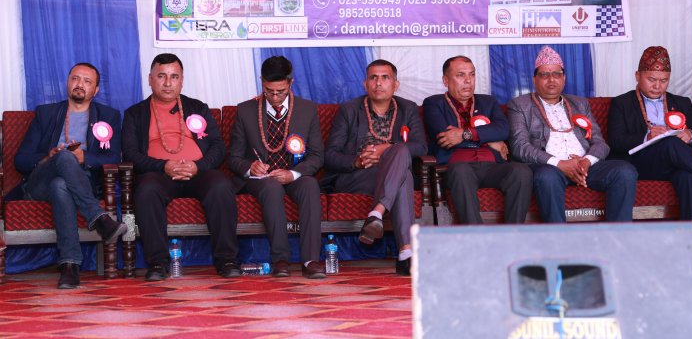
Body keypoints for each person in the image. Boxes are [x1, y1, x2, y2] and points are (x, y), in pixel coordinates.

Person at [122, 53, 241, 281]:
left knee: (221, 185)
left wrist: (198, 166)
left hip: (198, 173)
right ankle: (158, 263)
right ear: (150, 79)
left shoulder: (197, 107)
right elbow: (131, 154)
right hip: (158, 174)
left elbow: (218, 146)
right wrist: (163, 166)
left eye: (174, 77)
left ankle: (227, 260)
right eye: (162, 76)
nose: (168, 83)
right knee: (146, 190)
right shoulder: (135, 114)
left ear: (182, 80)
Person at [14, 63, 127, 289]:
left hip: (81, 183)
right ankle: (100, 219)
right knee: (63, 158)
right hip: (40, 183)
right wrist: (48, 157)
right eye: (75, 78)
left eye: (87, 81)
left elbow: (115, 157)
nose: (80, 84)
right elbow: (21, 160)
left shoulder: (108, 116)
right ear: (67, 82)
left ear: (95, 90)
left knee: (60, 186)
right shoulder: (46, 113)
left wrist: (85, 158)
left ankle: (69, 266)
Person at [508, 46, 637, 223]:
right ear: (534, 79)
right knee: (547, 177)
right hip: (550, 166)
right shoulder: (520, 105)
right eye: (544, 75)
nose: (551, 79)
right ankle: (559, 238)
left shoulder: (580, 104)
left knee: (624, 171)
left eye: (557, 74)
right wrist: (560, 164)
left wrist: (586, 162)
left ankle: (618, 235)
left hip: (584, 165)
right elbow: (520, 147)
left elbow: (600, 142)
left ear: (564, 78)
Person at [325, 60, 427, 276]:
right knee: (404, 177)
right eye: (373, 78)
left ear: (396, 84)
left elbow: (421, 146)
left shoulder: (408, 109)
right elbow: (330, 156)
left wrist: (387, 148)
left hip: (390, 173)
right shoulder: (349, 110)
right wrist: (356, 161)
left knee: (400, 153)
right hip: (358, 175)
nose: (378, 83)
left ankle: (376, 214)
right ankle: (405, 253)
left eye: (385, 78)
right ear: (365, 84)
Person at [227, 56, 325, 279]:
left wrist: (293, 174)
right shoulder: (246, 110)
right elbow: (233, 158)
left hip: (294, 174)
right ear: (261, 81)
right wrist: (250, 167)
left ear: (291, 82)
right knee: (271, 188)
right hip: (261, 180)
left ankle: (310, 260)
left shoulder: (307, 109)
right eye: (269, 91)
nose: (274, 97)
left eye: (280, 91)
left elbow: (317, 155)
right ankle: (280, 260)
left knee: (310, 185)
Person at [608, 46, 692, 221]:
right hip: (641, 163)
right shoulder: (622, 103)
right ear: (637, 76)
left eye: (664, 81)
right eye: (651, 79)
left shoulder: (681, 102)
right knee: (669, 143)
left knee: (689, 177)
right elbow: (616, 141)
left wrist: (690, 134)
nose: (657, 86)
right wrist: (647, 136)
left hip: (675, 163)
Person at [422, 56, 533, 224]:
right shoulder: (434, 103)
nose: (468, 80)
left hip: (491, 166)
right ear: (446, 80)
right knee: (461, 171)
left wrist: (464, 134)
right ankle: (476, 235)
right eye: (460, 75)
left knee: (521, 171)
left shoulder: (488, 102)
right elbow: (444, 137)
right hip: (456, 166)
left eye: (472, 74)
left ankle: (513, 233)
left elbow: (503, 130)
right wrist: (489, 139)